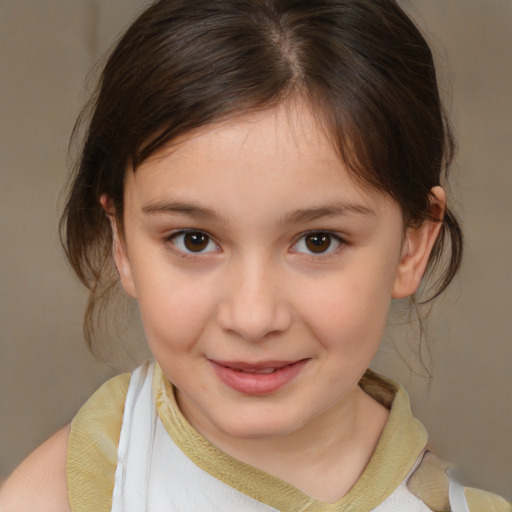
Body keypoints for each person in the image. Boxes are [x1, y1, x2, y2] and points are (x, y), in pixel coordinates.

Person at [1, 0, 510, 510]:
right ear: (121, 242)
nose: (252, 317)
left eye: (318, 241)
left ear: (412, 243)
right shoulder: (60, 496)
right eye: (193, 240)